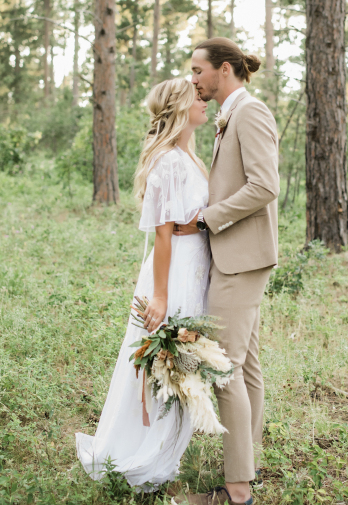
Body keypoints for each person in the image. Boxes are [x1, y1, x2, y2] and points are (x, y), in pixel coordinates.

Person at [76, 78, 211, 490]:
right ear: (179, 108)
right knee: (167, 357)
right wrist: (161, 293)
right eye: (197, 98)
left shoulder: (188, 155)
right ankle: (146, 453)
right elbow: (164, 234)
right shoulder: (168, 160)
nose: (204, 101)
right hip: (175, 267)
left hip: (196, 262)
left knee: (185, 355)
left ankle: (170, 443)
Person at [172, 38, 280, 505]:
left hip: (241, 259)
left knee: (222, 368)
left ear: (226, 69)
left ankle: (236, 492)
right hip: (239, 256)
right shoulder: (229, 115)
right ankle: (246, 470)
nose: (193, 78)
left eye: (199, 70)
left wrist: (206, 219)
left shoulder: (250, 112)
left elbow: (265, 186)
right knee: (247, 368)